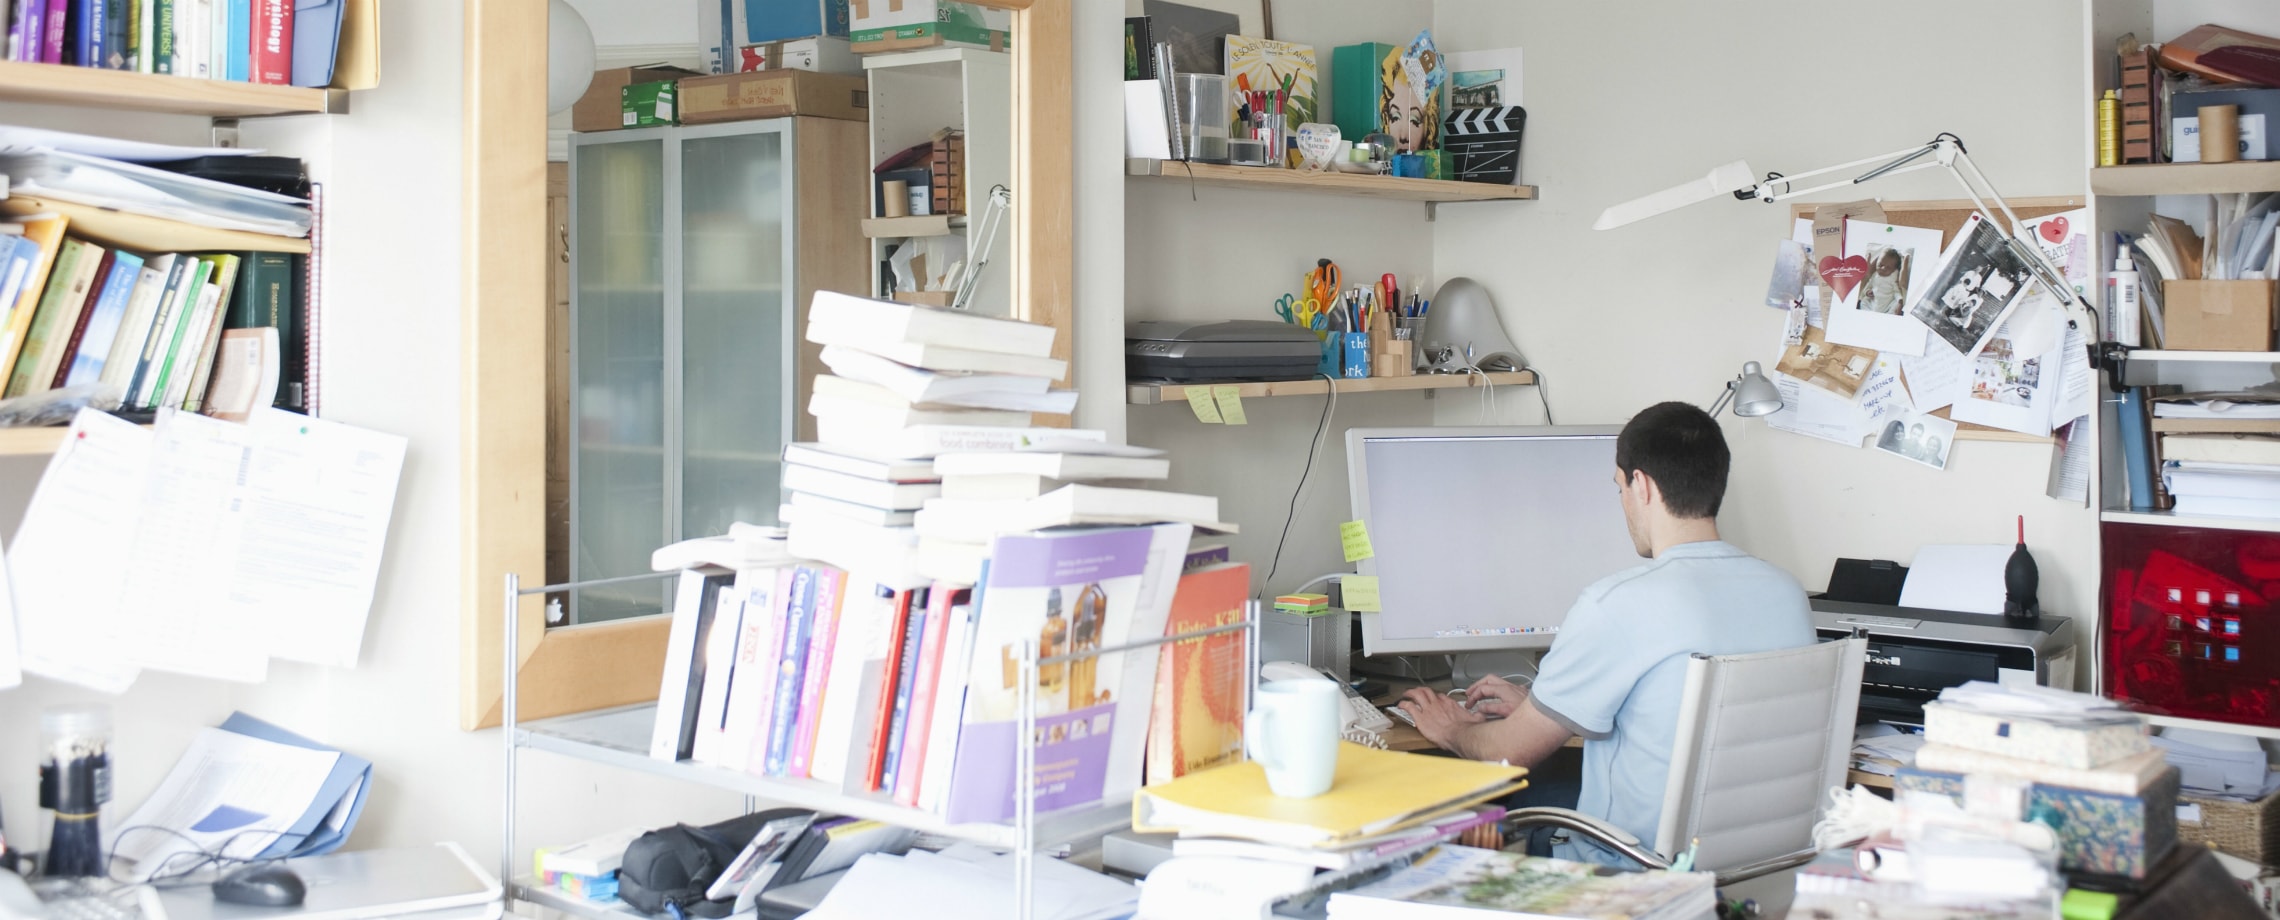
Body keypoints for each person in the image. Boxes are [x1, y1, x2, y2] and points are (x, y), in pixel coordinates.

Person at [1396, 402, 1815, 865]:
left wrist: (1453, 729)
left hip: (1631, 874)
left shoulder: (1618, 602)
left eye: (1619, 488)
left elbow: (1508, 754)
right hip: (1756, 871)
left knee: (1460, 816)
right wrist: (1548, 710)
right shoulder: (1786, 592)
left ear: (1643, 485)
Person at [1861, 248, 1906, 314]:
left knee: (1895, 305)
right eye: (1880, 265)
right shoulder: (1874, 274)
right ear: (1877, 262)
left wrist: (1900, 300)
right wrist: (1867, 292)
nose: (1883, 268)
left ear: (1893, 270)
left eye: (1888, 267)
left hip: (1887, 304)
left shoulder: (1893, 278)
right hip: (1873, 302)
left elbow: (1896, 291)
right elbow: (1868, 285)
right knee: (1864, 302)